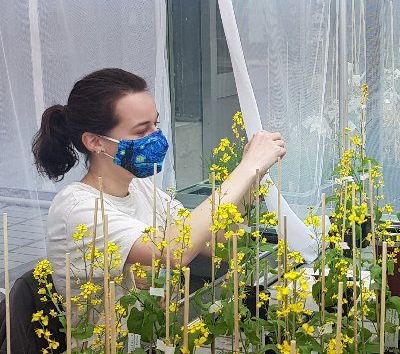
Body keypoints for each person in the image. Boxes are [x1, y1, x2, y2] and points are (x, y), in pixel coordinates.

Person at [32, 68, 285, 313]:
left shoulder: (139, 187)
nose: (157, 137)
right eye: (142, 131)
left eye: (156, 124)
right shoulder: (78, 208)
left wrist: (252, 182)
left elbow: (215, 244)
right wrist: (246, 168)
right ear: (95, 141)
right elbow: (176, 251)